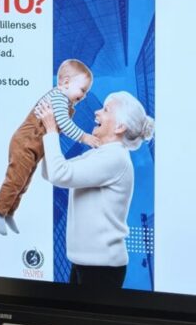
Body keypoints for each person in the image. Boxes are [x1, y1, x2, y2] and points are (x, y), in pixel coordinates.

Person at [37, 90, 154, 290]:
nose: (97, 112)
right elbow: (51, 173)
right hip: (86, 264)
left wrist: (51, 131)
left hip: (101, 269)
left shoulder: (115, 159)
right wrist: (49, 133)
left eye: (106, 110)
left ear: (119, 126)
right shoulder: (99, 154)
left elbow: (60, 174)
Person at [0, 58, 96, 235]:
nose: (83, 96)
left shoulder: (65, 102)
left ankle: (9, 212)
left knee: (23, 183)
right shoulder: (58, 97)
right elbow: (63, 122)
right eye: (82, 90)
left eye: (86, 92)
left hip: (34, 149)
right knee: (15, 180)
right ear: (66, 82)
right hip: (25, 143)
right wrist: (85, 137)